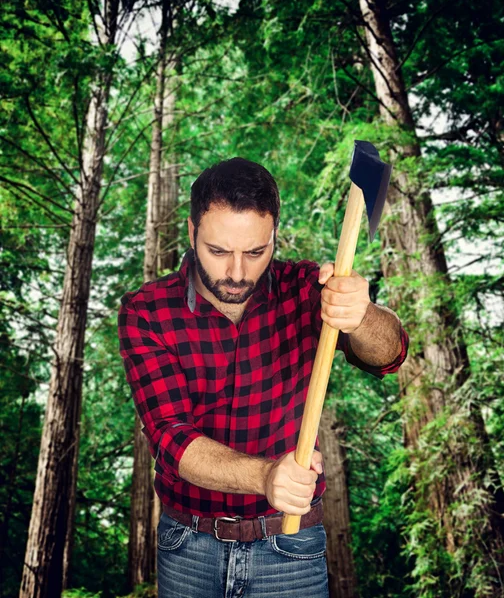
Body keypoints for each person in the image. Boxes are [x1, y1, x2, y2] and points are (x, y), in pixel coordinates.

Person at [118, 157, 409, 598]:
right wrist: (265, 476)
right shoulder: (147, 310)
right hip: (188, 546)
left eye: (255, 252)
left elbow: (390, 355)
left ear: (274, 236)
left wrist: (361, 316)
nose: (237, 272)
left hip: (291, 545)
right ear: (193, 233)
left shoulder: (307, 288)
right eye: (219, 251)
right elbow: (170, 436)